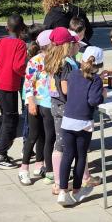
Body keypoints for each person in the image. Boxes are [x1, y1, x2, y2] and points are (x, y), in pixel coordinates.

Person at [57, 45, 106, 206]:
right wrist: (102, 95)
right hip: (84, 121)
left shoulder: (73, 74)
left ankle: (63, 191)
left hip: (68, 119)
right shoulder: (96, 80)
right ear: (99, 65)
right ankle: (77, 191)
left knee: (67, 155)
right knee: (81, 156)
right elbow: (93, 100)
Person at [0, 15, 29, 170]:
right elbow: (18, 67)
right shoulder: (21, 45)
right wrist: (29, 72)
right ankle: (1, 155)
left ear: (7, 28)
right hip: (9, 86)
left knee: (7, 119)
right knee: (11, 121)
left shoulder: (1, 42)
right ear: (22, 29)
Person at [44, 27, 80, 193]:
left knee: (58, 144)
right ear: (66, 44)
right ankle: (61, 183)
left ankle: (57, 182)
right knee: (68, 145)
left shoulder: (51, 60)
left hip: (54, 105)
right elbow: (66, 89)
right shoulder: (65, 64)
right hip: (66, 107)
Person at [19, 34, 58, 185]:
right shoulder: (35, 60)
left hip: (49, 103)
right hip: (36, 102)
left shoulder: (55, 59)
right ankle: (23, 169)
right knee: (33, 135)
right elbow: (28, 83)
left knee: (46, 136)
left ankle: (41, 165)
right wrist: (31, 102)